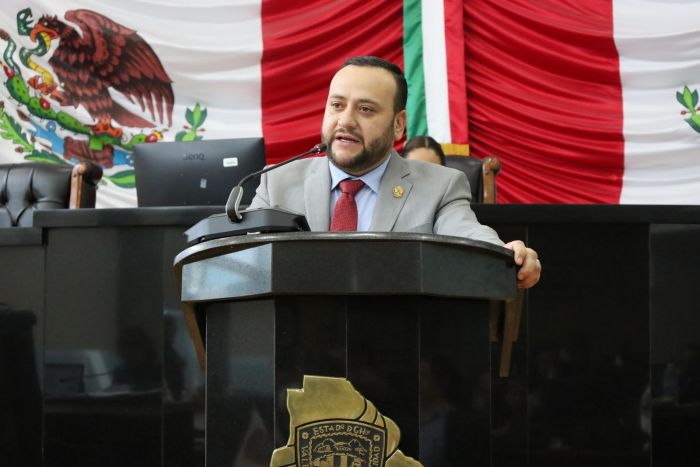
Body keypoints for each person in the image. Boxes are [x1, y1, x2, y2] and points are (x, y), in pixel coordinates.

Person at [249, 56, 540, 288]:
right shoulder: (277, 182)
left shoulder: (441, 186)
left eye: (365, 109)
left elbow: (466, 234)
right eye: (337, 105)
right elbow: (244, 262)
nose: (345, 121)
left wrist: (505, 254)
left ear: (398, 124)